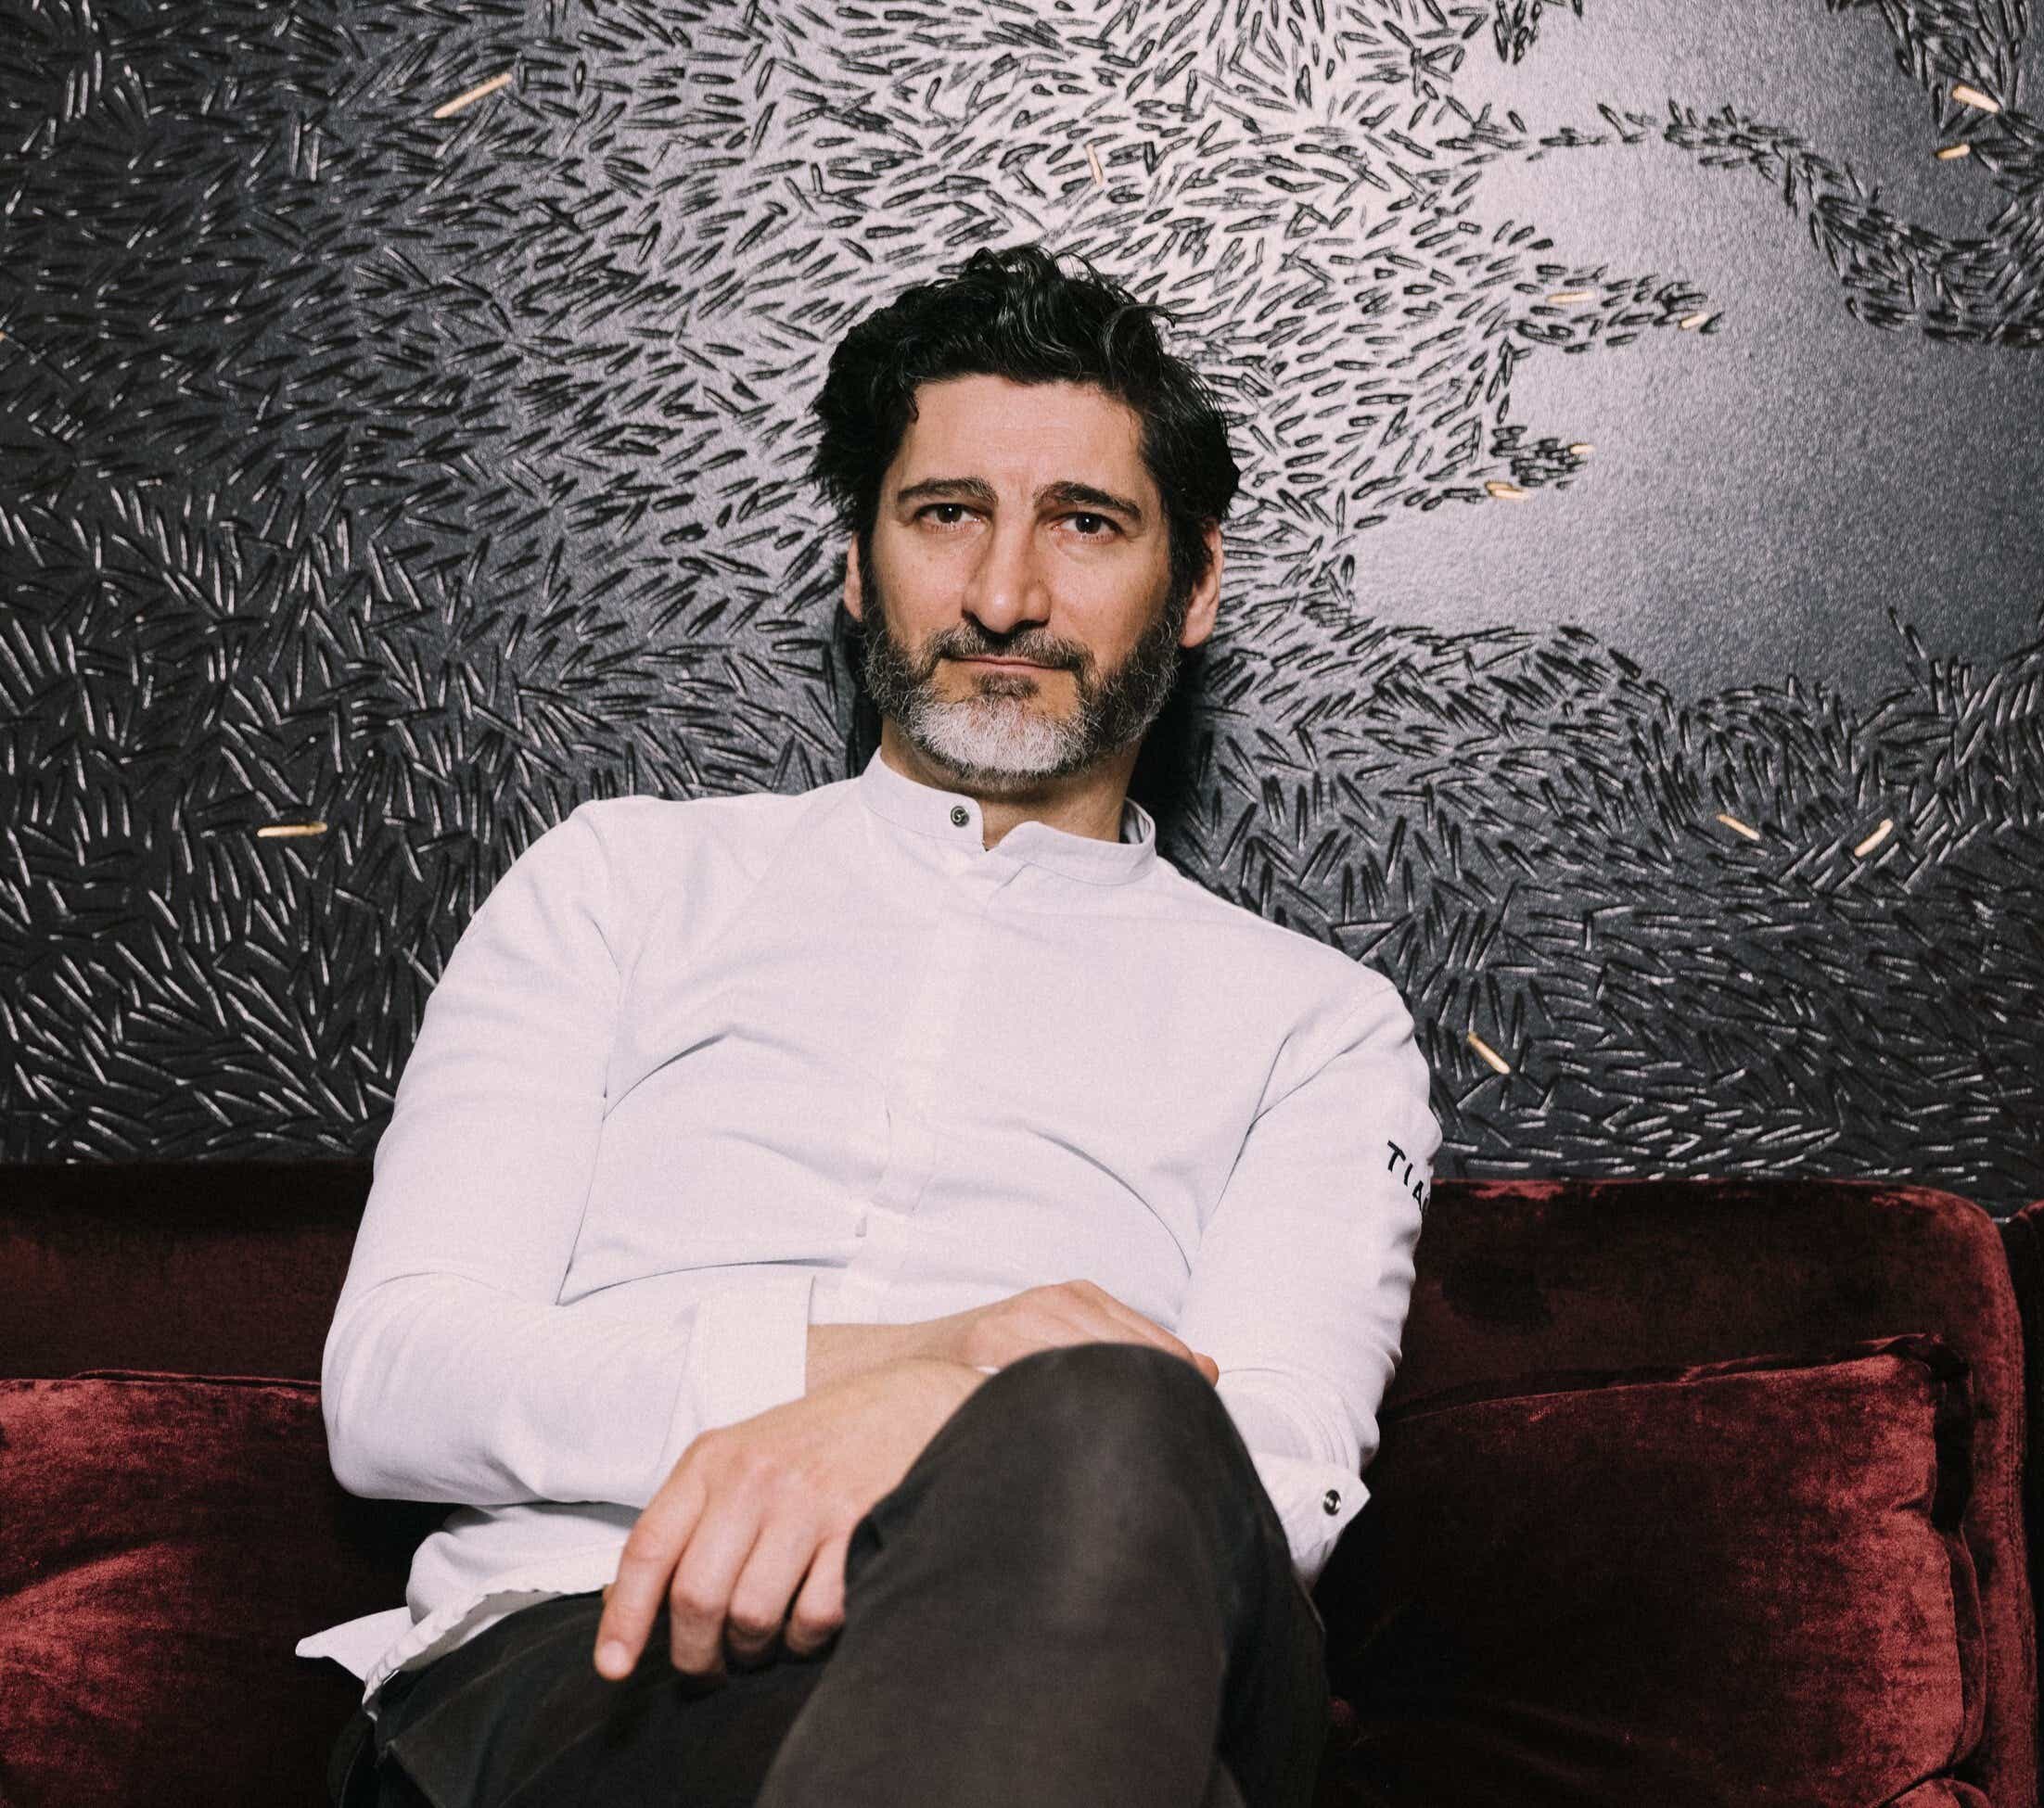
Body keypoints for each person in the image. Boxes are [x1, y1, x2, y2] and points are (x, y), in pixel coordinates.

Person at [300, 241, 1445, 1808]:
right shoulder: (621, 884)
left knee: (1128, 1417)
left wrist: (951, 1420)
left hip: (1085, 1632)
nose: (1004, 596)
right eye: (945, 512)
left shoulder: (1319, 1027)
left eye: (1086, 523)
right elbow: (397, 1384)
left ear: (1193, 588)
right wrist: (897, 1362)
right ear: (858, 563)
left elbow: (1282, 1470)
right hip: (595, 1666)